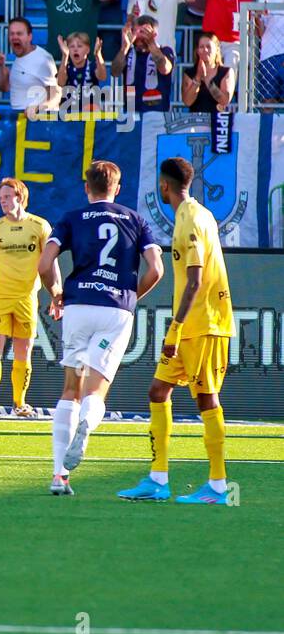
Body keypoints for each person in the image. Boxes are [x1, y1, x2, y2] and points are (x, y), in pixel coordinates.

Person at [38, 160, 163, 496]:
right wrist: (132, 296)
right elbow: (157, 268)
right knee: (96, 391)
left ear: (86, 187)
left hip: (78, 306)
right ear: (117, 188)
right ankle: (87, 427)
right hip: (115, 310)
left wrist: (57, 294)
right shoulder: (136, 220)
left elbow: (45, 263)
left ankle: (59, 475)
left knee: (70, 390)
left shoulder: (71, 218)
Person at [119, 157, 236, 506]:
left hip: (204, 325)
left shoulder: (189, 221)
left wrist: (175, 327)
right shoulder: (201, 213)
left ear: (163, 185)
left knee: (206, 399)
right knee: (158, 391)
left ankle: (217, 485)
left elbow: (196, 280)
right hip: (192, 327)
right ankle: (158, 479)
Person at [0, 178, 52, 418]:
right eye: (0, 198)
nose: (3, 202)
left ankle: (19, 404)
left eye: (7, 197)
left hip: (27, 295)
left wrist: (57, 292)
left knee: (24, 348)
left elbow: (49, 262)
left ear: (19, 197)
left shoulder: (40, 226)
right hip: (1, 294)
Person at [0, 17, 61, 118]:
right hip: (19, 121)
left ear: (30, 36)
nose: (14, 37)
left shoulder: (42, 59)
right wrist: (1, 66)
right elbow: (4, 88)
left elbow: (56, 94)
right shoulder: (18, 57)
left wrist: (37, 108)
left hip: (38, 122)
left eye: (19, 33)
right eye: (12, 34)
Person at [112, 14, 176, 115]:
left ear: (154, 34)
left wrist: (151, 44)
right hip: (131, 113)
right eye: (136, 32)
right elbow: (115, 72)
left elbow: (165, 69)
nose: (139, 36)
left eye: (143, 32)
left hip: (156, 114)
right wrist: (125, 47)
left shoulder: (165, 51)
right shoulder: (127, 52)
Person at [181, 32, 235, 113]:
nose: (205, 50)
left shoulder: (226, 72)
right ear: (197, 51)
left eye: (208, 47)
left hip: (217, 120)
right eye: (201, 47)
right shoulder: (190, 73)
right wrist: (198, 78)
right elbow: (187, 102)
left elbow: (224, 101)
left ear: (217, 50)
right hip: (195, 120)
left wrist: (207, 79)